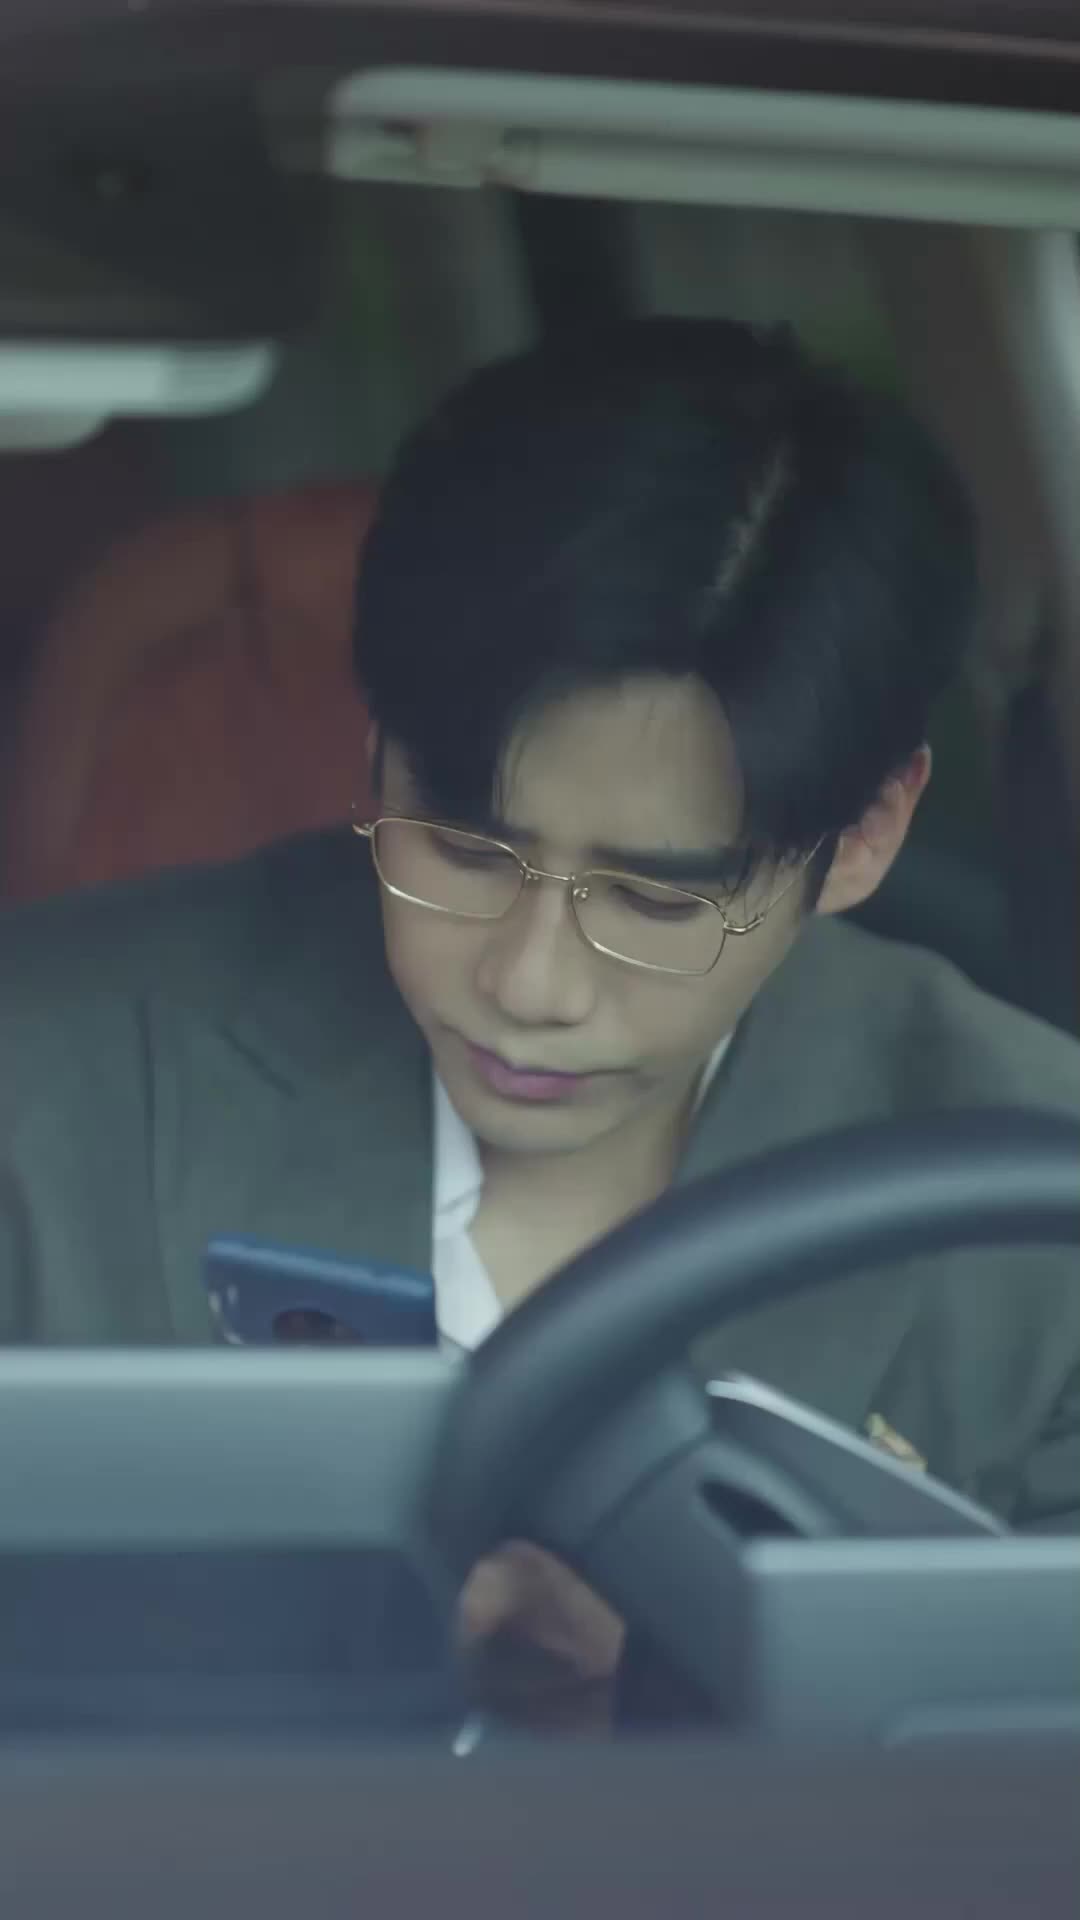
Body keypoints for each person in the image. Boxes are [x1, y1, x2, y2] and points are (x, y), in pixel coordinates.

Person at [2, 319, 1078, 1728]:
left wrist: (700, 1662)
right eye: (462, 849)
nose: (529, 982)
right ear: (375, 748)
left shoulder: (1033, 1214)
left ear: (866, 834)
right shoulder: (46, 1078)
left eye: (656, 897)